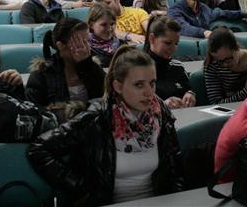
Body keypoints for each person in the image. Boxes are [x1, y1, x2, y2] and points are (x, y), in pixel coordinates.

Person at [28, 46, 185, 205]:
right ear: (118, 87)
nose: (149, 93)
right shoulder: (97, 117)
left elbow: (175, 169)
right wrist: (80, 187)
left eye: (152, 83)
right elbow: (39, 149)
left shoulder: (161, 114)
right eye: (139, 85)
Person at [25, 17, 105, 109]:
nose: (87, 48)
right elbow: (34, 111)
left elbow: (107, 95)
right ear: (61, 46)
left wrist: (87, 64)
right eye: (80, 42)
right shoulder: (41, 75)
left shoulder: (91, 67)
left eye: (87, 42)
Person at [204, 27, 247, 104]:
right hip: (229, 110)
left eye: (228, 59)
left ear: (236, 48)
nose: (224, 64)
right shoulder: (212, 65)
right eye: (219, 61)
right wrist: (246, 91)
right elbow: (216, 103)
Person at [143, 16, 196, 109]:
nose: (173, 48)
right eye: (168, 43)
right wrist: (163, 105)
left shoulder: (177, 66)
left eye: (176, 44)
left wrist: (190, 94)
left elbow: (188, 88)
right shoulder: (138, 69)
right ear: (152, 39)